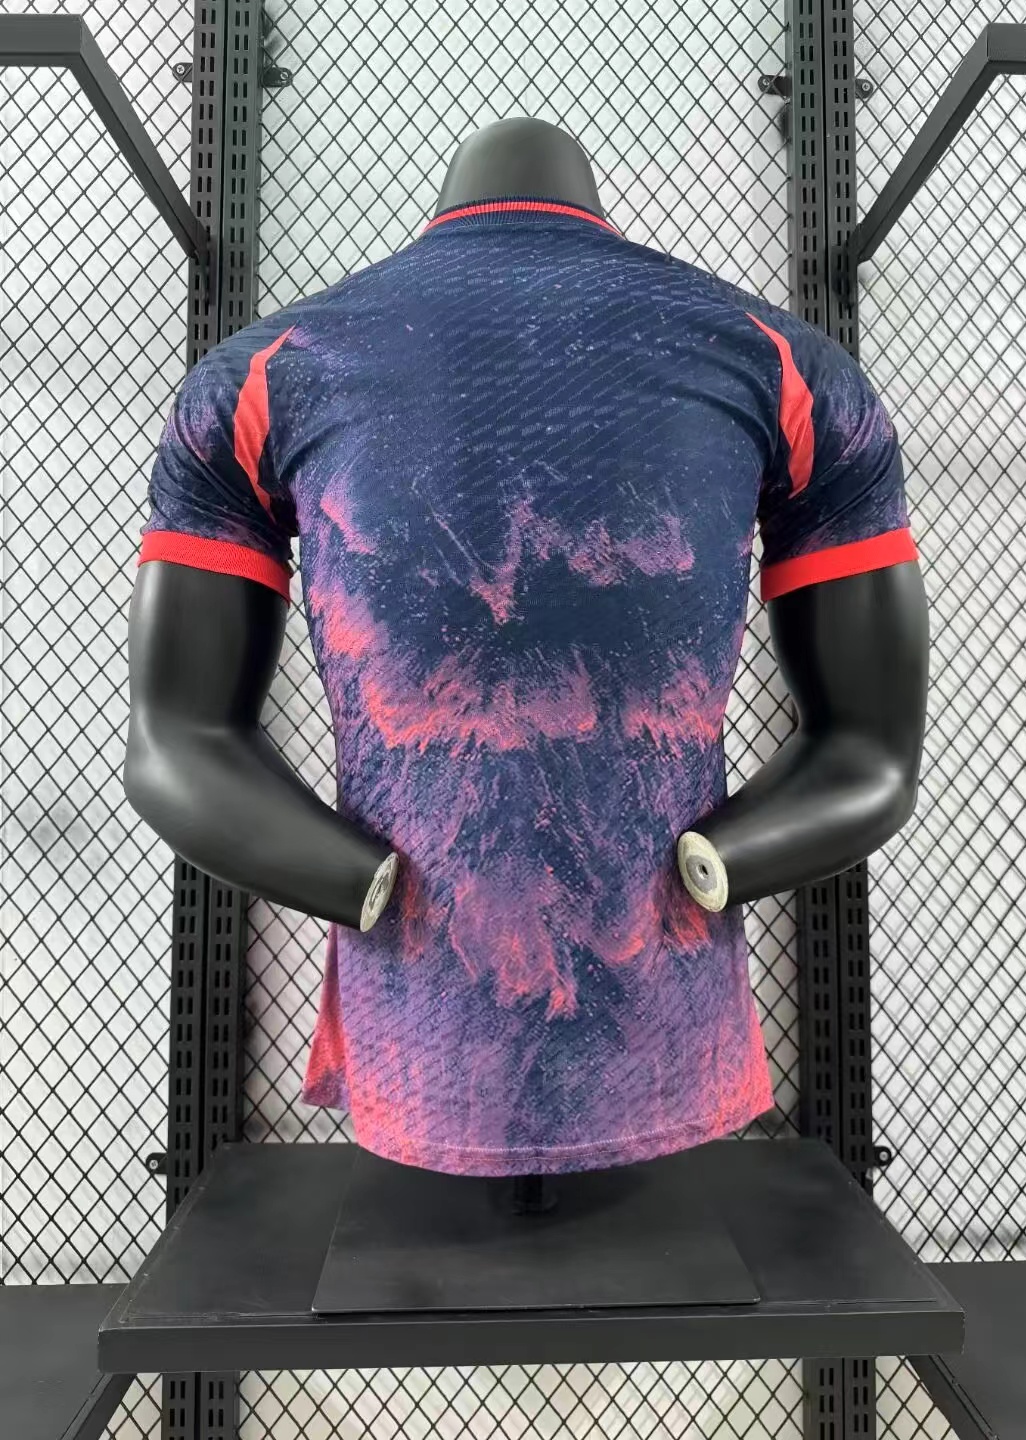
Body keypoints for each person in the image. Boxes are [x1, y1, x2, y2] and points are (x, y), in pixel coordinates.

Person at [125, 117, 929, 1178]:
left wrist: (353, 882)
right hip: (524, 1013)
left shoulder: (267, 370)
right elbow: (874, 752)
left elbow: (173, 742)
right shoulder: (782, 361)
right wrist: (718, 867)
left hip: (495, 1015)